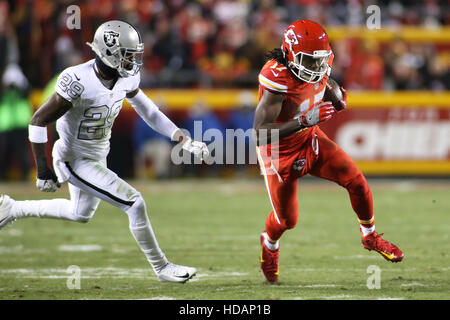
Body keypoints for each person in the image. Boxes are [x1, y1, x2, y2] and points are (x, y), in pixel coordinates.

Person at [0, 20, 209, 283]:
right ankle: (161, 267)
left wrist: (180, 137)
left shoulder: (126, 77)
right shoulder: (77, 79)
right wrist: (43, 169)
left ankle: (12, 209)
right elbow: (38, 121)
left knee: (80, 213)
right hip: (74, 158)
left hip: (98, 154)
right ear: (109, 53)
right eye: (127, 54)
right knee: (134, 203)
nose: (133, 60)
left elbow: (149, 110)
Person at [253, 20, 404, 283]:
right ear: (290, 55)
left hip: (309, 138)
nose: (316, 67)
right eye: (309, 61)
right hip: (279, 153)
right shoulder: (277, 77)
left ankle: (369, 236)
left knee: (356, 180)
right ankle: (270, 242)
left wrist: (336, 95)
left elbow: (326, 80)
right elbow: (260, 132)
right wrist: (304, 120)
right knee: (287, 220)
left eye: (320, 60)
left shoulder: (315, 67)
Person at [0, 63, 33, 181]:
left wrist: (19, 85)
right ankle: (3, 176)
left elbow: (27, 93)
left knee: (22, 152)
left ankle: (25, 176)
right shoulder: (3, 90)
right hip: (6, 124)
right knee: (4, 153)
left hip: (20, 124)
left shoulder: (23, 89)